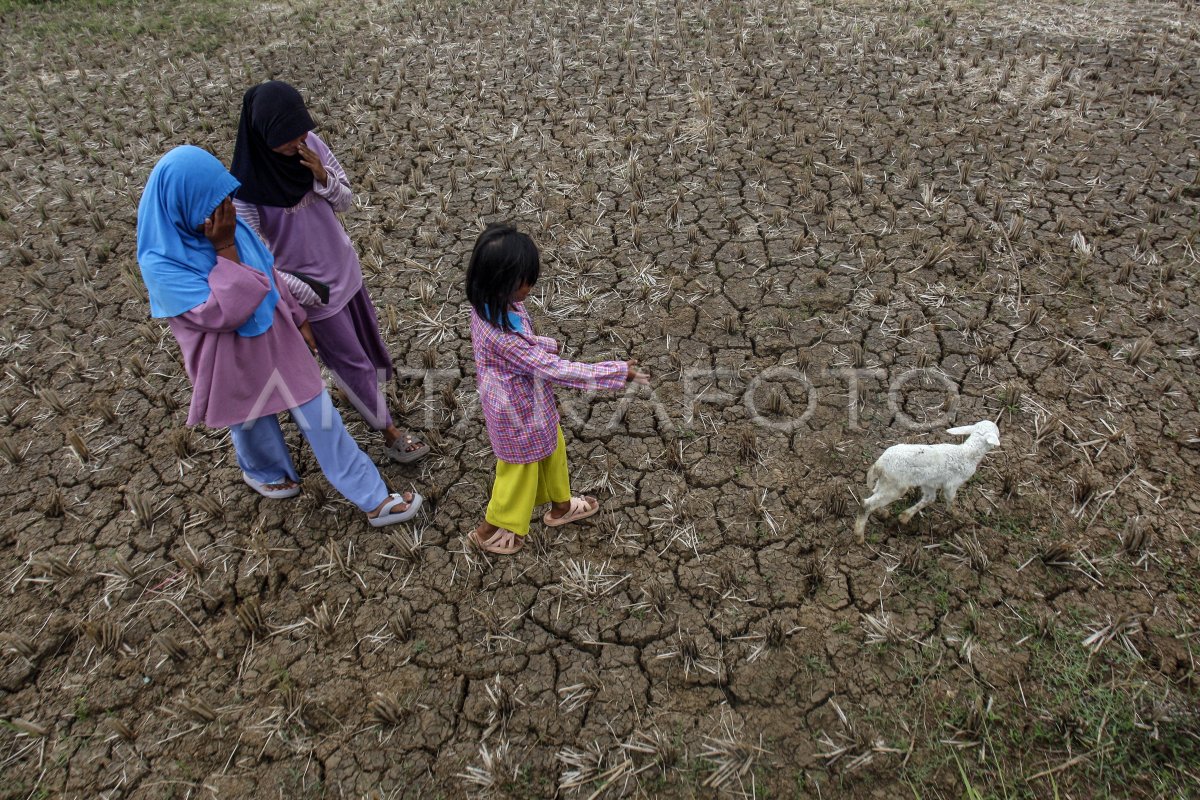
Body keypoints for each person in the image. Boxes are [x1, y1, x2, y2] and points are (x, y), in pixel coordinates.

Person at [136, 145, 422, 527]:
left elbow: (268, 271)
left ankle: (372, 497)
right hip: (229, 359)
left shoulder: (228, 224)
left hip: (277, 336)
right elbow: (225, 312)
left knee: (321, 417)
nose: (226, 211)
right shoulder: (162, 261)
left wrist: (298, 316)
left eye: (227, 199)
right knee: (251, 420)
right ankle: (266, 473)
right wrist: (224, 249)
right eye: (214, 205)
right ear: (183, 206)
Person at [230, 80, 428, 464]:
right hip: (312, 292)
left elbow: (347, 200)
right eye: (286, 139)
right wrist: (307, 292)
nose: (297, 143)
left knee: (370, 343)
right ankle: (389, 432)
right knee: (349, 361)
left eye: (301, 131)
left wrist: (322, 176)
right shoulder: (246, 193)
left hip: (345, 268)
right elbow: (258, 262)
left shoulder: (312, 147)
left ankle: (377, 394)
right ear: (262, 136)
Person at [465, 224, 649, 555]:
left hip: (532, 406)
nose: (530, 287)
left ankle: (561, 507)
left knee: (553, 450)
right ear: (501, 280)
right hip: (516, 415)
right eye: (525, 280)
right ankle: (486, 532)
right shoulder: (500, 336)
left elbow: (530, 349)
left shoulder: (493, 303)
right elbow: (556, 370)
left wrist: (543, 344)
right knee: (516, 475)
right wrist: (615, 372)